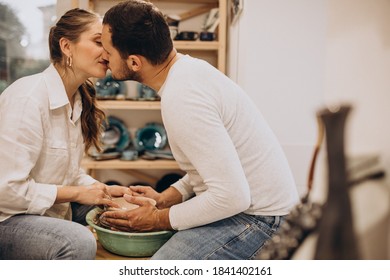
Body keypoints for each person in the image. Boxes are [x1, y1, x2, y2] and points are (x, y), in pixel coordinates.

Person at [99, 0, 300, 260]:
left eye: (108, 51)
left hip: (262, 221)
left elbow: (232, 196)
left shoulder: (183, 97)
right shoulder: (188, 72)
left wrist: (158, 219)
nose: (104, 57)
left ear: (135, 62)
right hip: (258, 210)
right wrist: (167, 197)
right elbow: (214, 165)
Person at [0, 8, 130, 260]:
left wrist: (102, 188)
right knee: (77, 241)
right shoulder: (28, 97)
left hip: (39, 209)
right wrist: (78, 194)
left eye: (108, 44)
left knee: (120, 208)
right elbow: (5, 189)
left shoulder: (78, 100)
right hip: (6, 216)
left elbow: (65, 173)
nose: (107, 52)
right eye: (97, 42)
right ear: (66, 46)